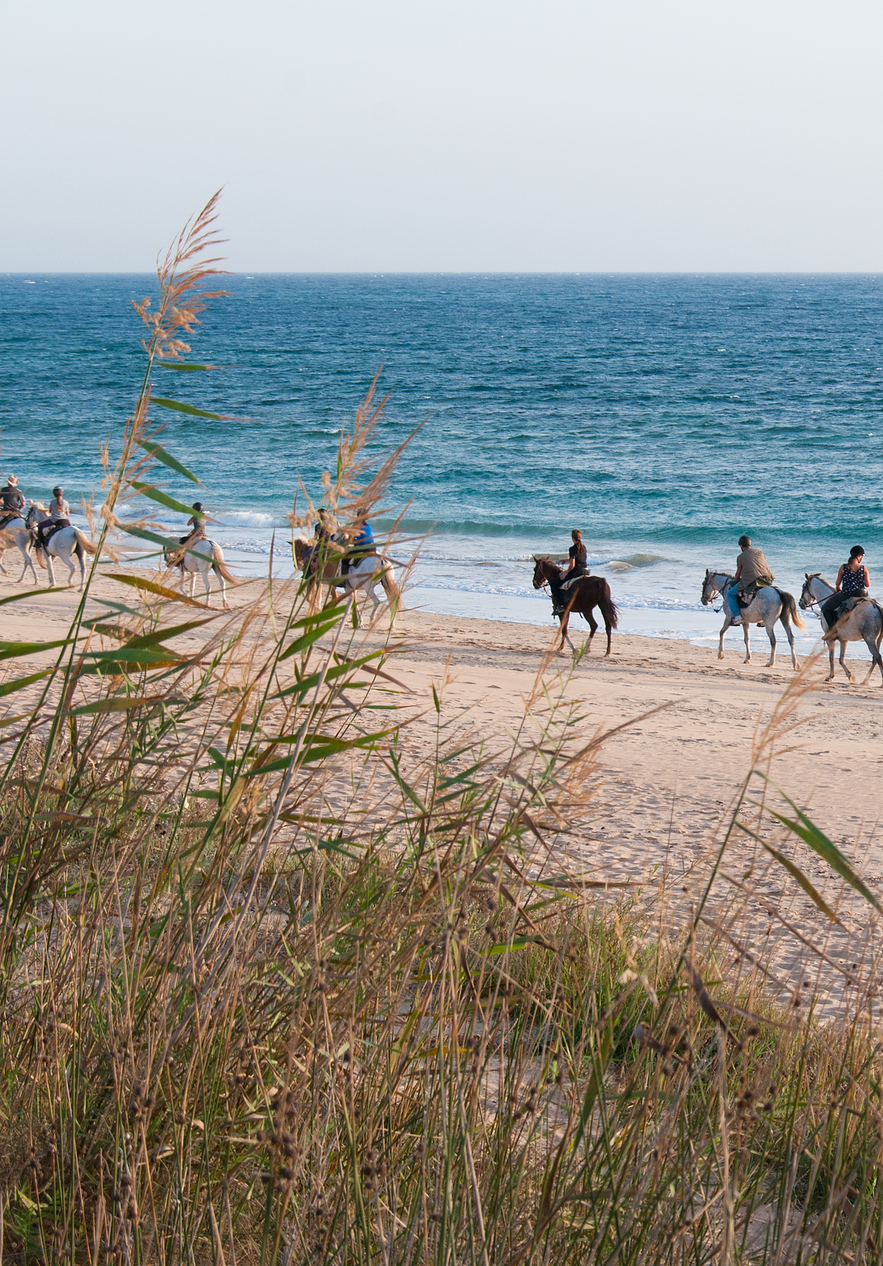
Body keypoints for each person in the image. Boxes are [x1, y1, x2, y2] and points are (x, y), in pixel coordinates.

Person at [727, 534, 775, 626]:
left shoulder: (740, 557)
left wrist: (735, 580)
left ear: (741, 545)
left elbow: (738, 573)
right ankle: (761, 620)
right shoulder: (759, 552)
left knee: (730, 594)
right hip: (767, 579)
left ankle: (737, 617)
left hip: (753, 581)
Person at [820, 546, 870, 630]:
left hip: (846, 594)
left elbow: (837, 583)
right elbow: (868, 584)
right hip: (861, 596)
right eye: (862, 556)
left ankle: (833, 632)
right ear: (858, 557)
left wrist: (838, 588)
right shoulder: (863, 568)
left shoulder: (843, 567)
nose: (862, 558)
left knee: (825, 608)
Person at [551, 529, 589, 613]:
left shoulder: (572, 549)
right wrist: (567, 560)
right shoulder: (583, 547)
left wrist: (566, 572)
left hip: (576, 572)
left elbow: (572, 566)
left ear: (572, 538)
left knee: (554, 584)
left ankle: (560, 605)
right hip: (585, 571)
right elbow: (579, 559)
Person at [36, 486, 71, 551]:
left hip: (54, 520)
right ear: (62, 493)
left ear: (54, 494)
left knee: (40, 525)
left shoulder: (52, 502)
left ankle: (39, 542)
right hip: (65, 520)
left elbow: (50, 511)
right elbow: (67, 514)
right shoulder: (66, 502)